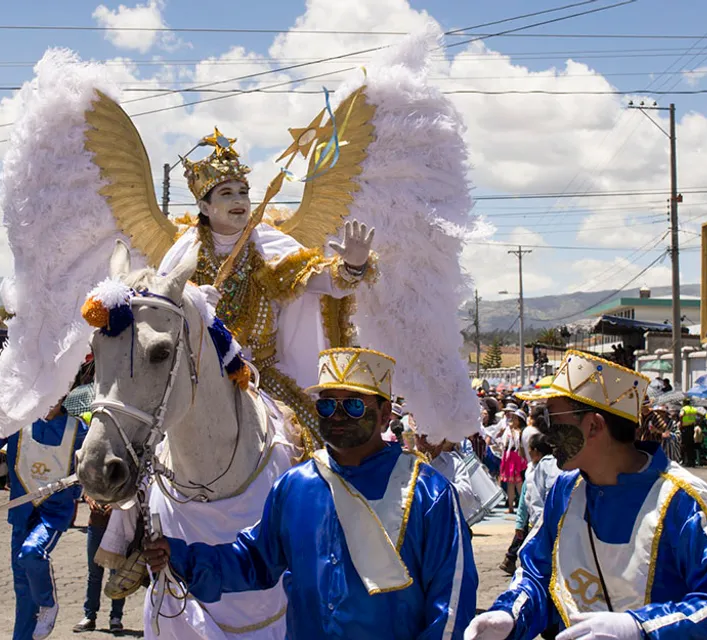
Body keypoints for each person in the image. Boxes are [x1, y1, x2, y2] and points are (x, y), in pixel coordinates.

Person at [144, 347, 477, 638]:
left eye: (354, 406)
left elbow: (451, 600)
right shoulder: (295, 485)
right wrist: (180, 555)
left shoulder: (429, 494)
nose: (338, 415)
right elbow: (256, 560)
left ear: (385, 414)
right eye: (327, 406)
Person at [466, 350, 707, 640]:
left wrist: (640, 629)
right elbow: (538, 575)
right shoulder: (564, 492)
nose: (547, 436)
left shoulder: (681, 502)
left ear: (594, 426)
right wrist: (510, 615)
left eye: (554, 422)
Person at [158, 133, 377, 438]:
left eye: (244, 192)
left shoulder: (268, 246)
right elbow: (159, 313)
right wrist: (192, 301)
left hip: (262, 381)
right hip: (195, 376)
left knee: (311, 442)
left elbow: (320, 280)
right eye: (226, 193)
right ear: (205, 208)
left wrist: (352, 266)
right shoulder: (184, 255)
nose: (239, 201)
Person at [0, 392, 87, 640]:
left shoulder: (79, 429)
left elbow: (90, 465)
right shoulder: (19, 421)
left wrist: (80, 489)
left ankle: (48, 603)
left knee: (32, 552)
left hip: (53, 513)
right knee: (22, 587)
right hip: (22, 511)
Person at [499, 426, 560, 576]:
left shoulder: (551, 467)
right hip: (532, 521)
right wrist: (520, 522)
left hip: (545, 522)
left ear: (537, 452)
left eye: (530, 449)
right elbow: (524, 500)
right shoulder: (530, 470)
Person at [74, 493, 125, 634]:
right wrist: (89, 498)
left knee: (117, 575)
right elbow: (86, 487)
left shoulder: (123, 470)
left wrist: (117, 504)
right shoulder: (93, 470)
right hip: (96, 524)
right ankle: (89, 616)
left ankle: (116, 617)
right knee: (94, 573)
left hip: (117, 526)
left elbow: (131, 491)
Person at [499, 408, 527, 513]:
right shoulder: (508, 430)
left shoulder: (522, 431)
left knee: (519, 483)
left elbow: (519, 444)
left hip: (517, 457)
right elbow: (504, 442)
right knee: (510, 484)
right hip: (508, 457)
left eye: (515, 418)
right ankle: (510, 507)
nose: (513, 420)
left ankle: (523, 507)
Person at [679, 398, 698, 467]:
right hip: (691, 427)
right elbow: (700, 415)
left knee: (684, 444)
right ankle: (692, 461)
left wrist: (681, 424)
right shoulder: (693, 409)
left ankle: (685, 461)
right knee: (691, 445)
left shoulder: (684, 409)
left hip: (685, 428)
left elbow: (681, 415)